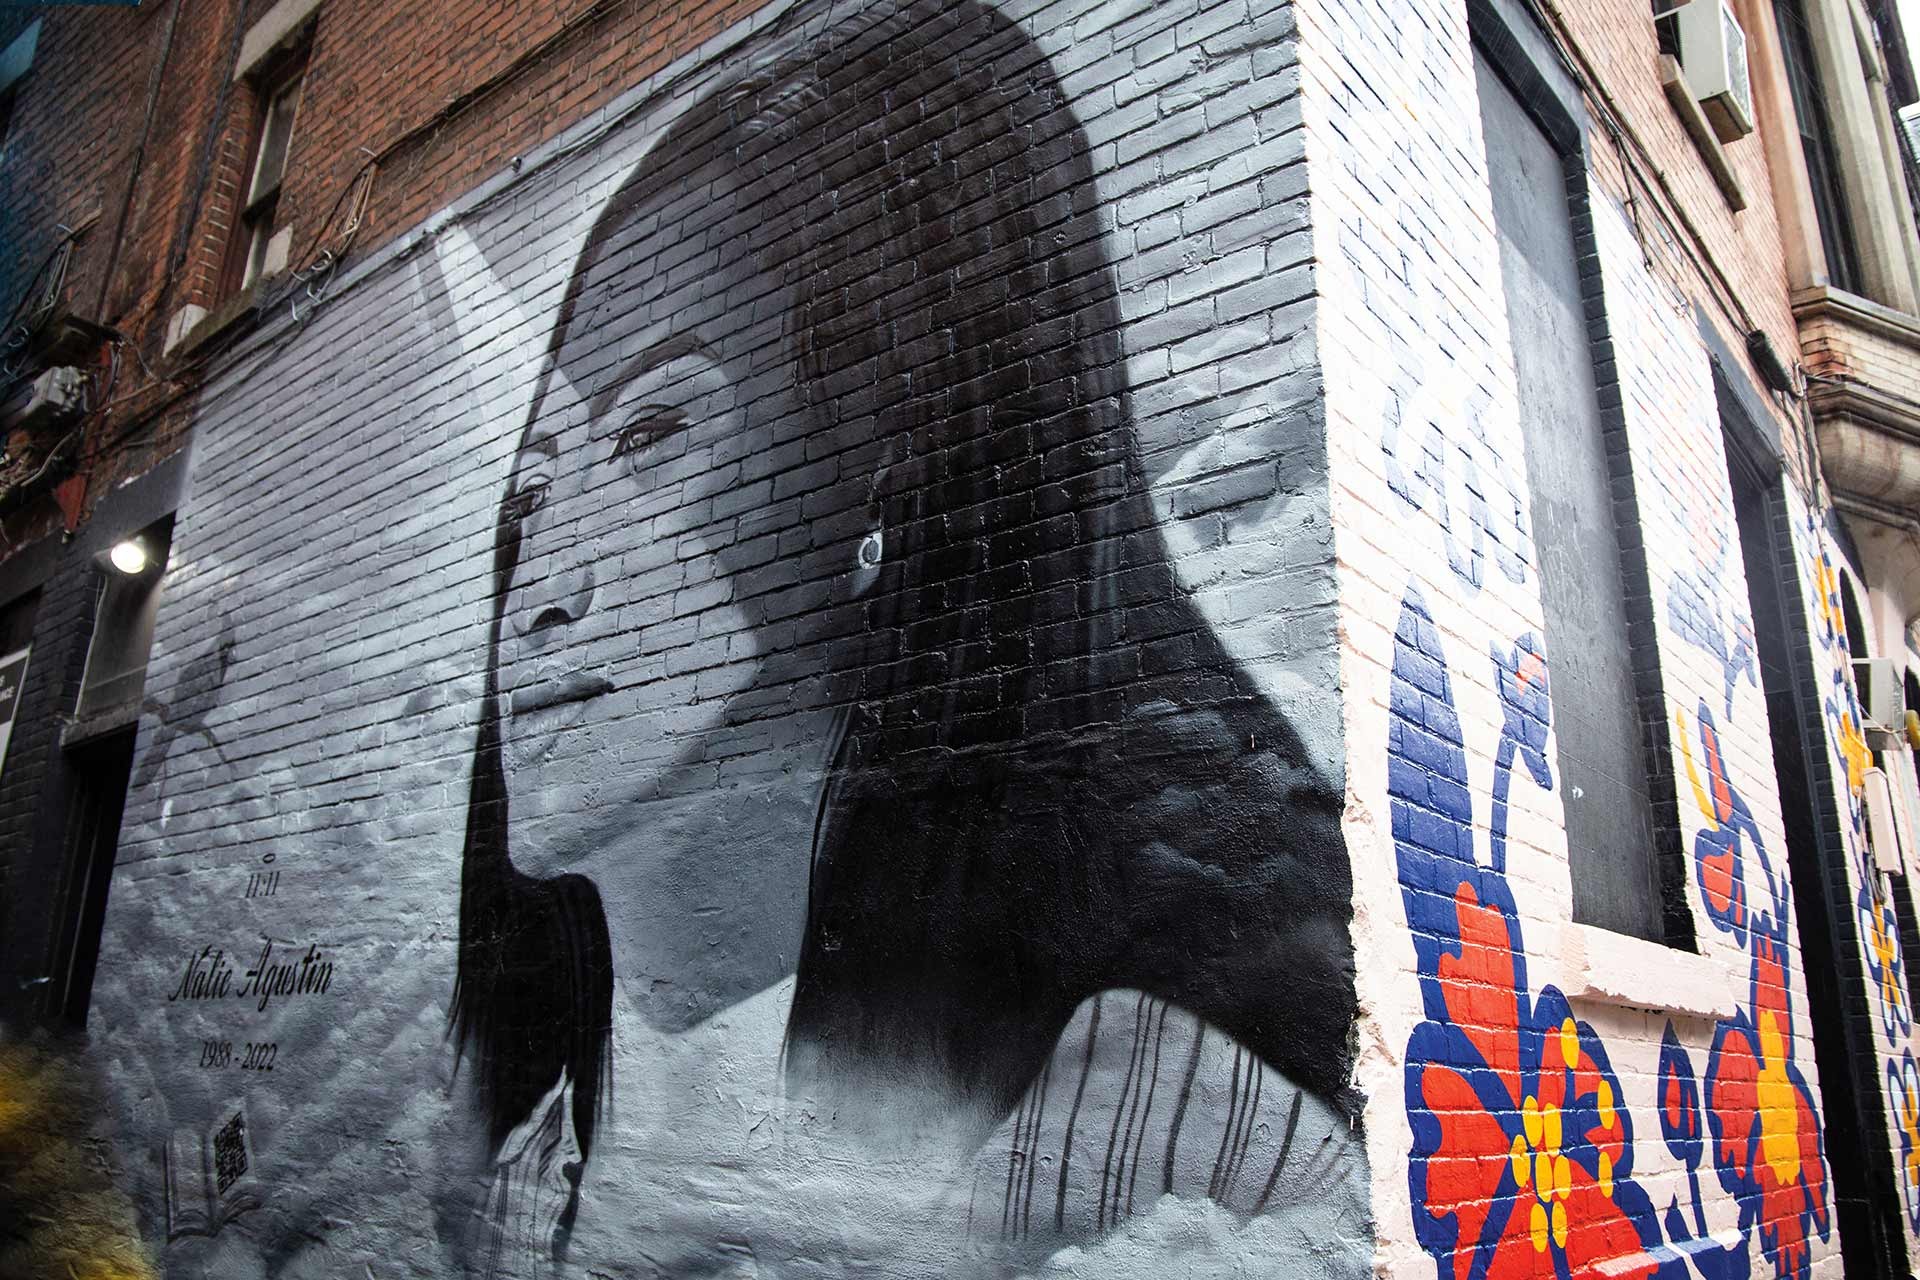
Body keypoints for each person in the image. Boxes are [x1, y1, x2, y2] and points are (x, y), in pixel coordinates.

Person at [449, 0, 1362, 1270]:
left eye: (656, 433)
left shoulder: (1163, 1151)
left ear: (888, 475)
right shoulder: (524, 1173)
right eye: (534, 492)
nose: (539, 588)